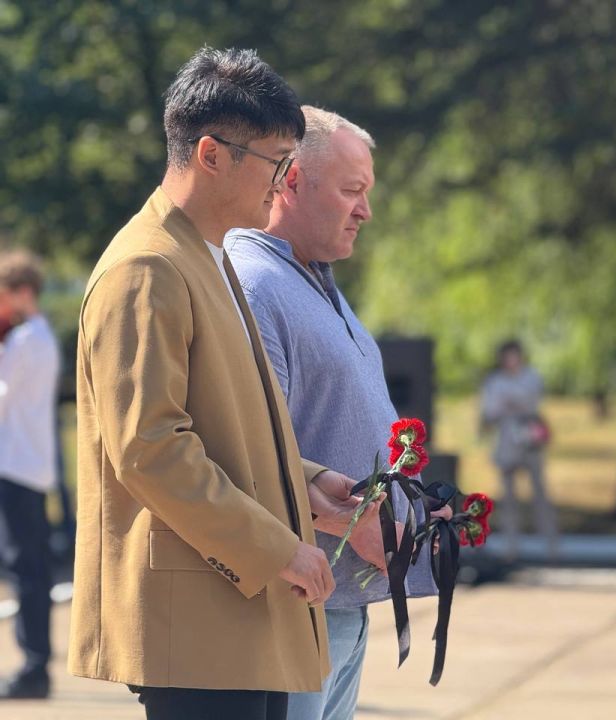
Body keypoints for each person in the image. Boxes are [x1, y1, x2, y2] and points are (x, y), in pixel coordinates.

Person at [68, 48, 372, 720]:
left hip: (231, 616)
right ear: (211, 154)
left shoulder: (205, 255)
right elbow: (151, 449)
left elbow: (226, 428)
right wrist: (275, 550)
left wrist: (309, 477)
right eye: (277, 162)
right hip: (196, 624)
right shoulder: (146, 268)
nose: (285, 181)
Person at [225, 107, 442, 720]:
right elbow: (243, 450)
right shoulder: (255, 282)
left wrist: (418, 506)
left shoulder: (311, 278)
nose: (365, 211)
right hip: (292, 603)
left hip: (340, 600)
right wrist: (339, 524)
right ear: (289, 179)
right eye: (352, 191)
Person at [0, 250, 60, 700]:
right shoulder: (41, 338)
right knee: (30, 569)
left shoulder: (23, 342)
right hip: (31, 466)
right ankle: (35, 662)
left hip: (16, 465)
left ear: (22, 292)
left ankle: (34, 665)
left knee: (26, 570)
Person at [480, 339, 558, 561]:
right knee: (509, 497)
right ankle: (510, 546)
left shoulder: (531, 376)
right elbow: (490, 411)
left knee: (540, 493)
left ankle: (551, 544)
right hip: (507, 439)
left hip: (530, 436)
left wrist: (513, 403)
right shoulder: (494, 381)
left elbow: (530, 400)